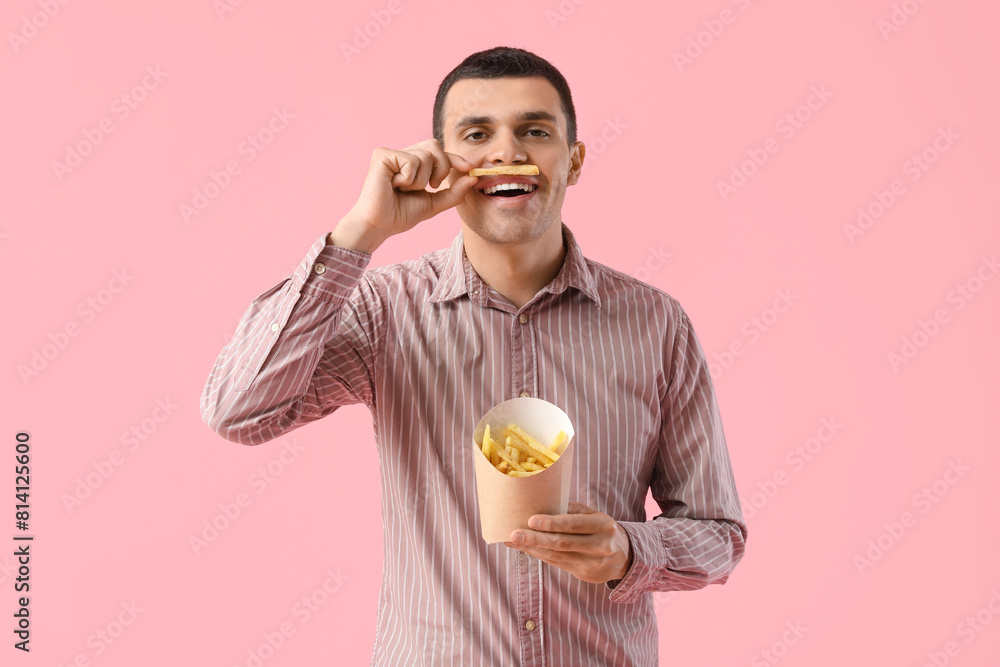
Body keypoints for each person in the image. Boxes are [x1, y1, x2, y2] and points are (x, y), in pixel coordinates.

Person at [201, 46, 747, 666]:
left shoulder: (654, 323)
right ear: (442, 159)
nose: (508, 153)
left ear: (574, 160)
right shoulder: (386, 310)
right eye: (477, 134)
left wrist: (630, 552)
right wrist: (362, 231)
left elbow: (717, 533)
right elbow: (237, 411)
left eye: (535, 131)